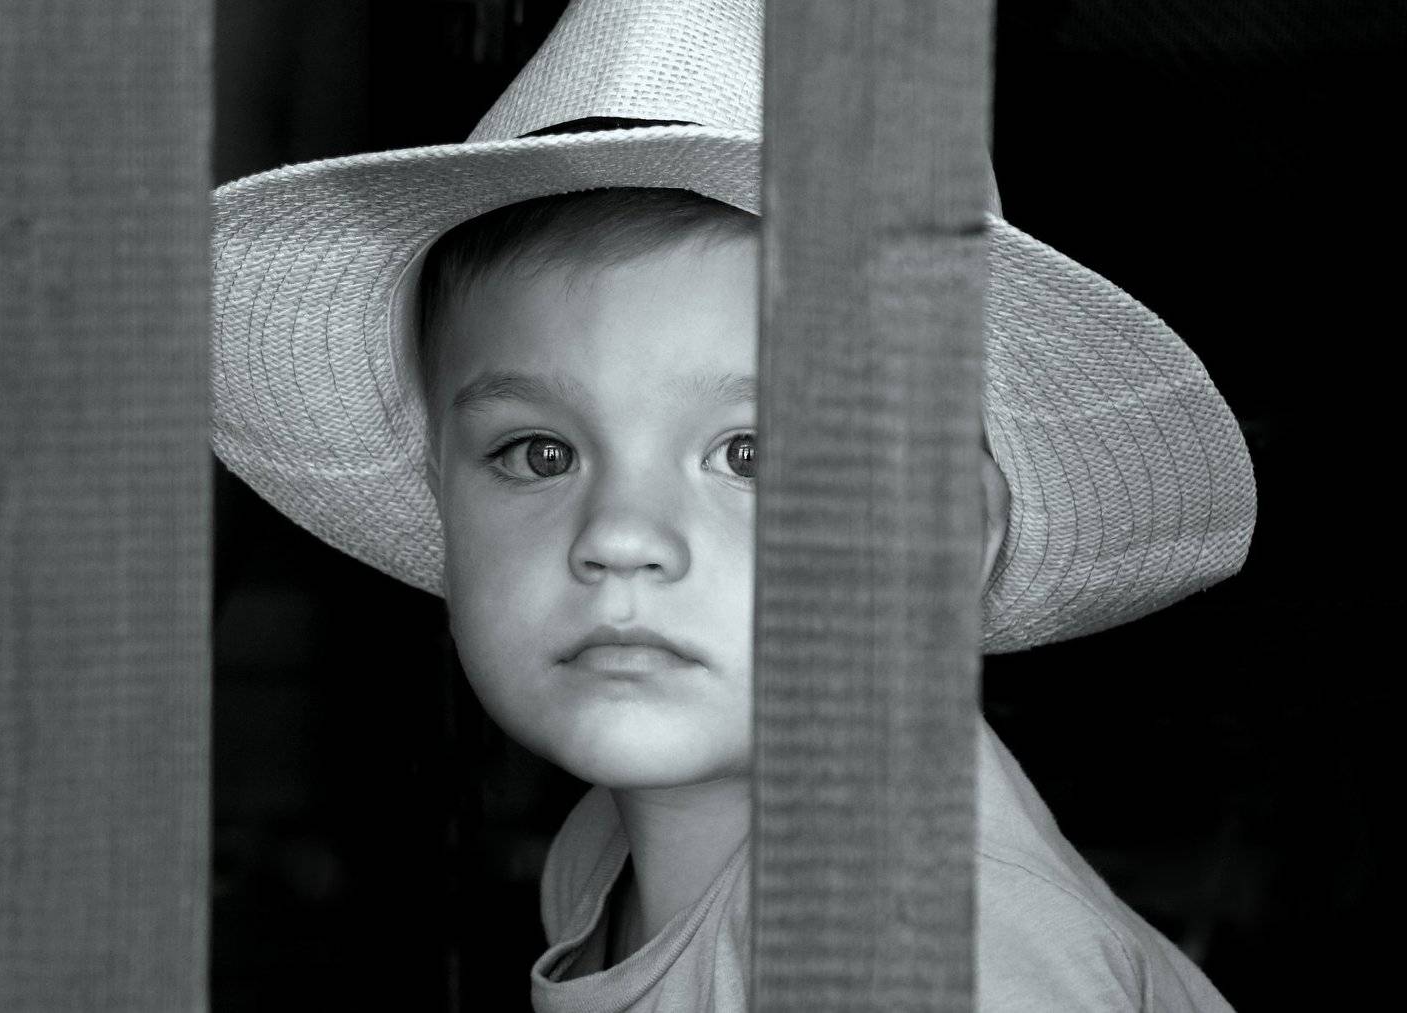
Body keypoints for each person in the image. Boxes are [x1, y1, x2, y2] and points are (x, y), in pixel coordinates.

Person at [210, 0, 1256, 1009]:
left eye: (750, 454)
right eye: (539, 453)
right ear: (442, 488)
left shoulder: (933, 941)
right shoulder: (603, 855)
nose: (620, 538)